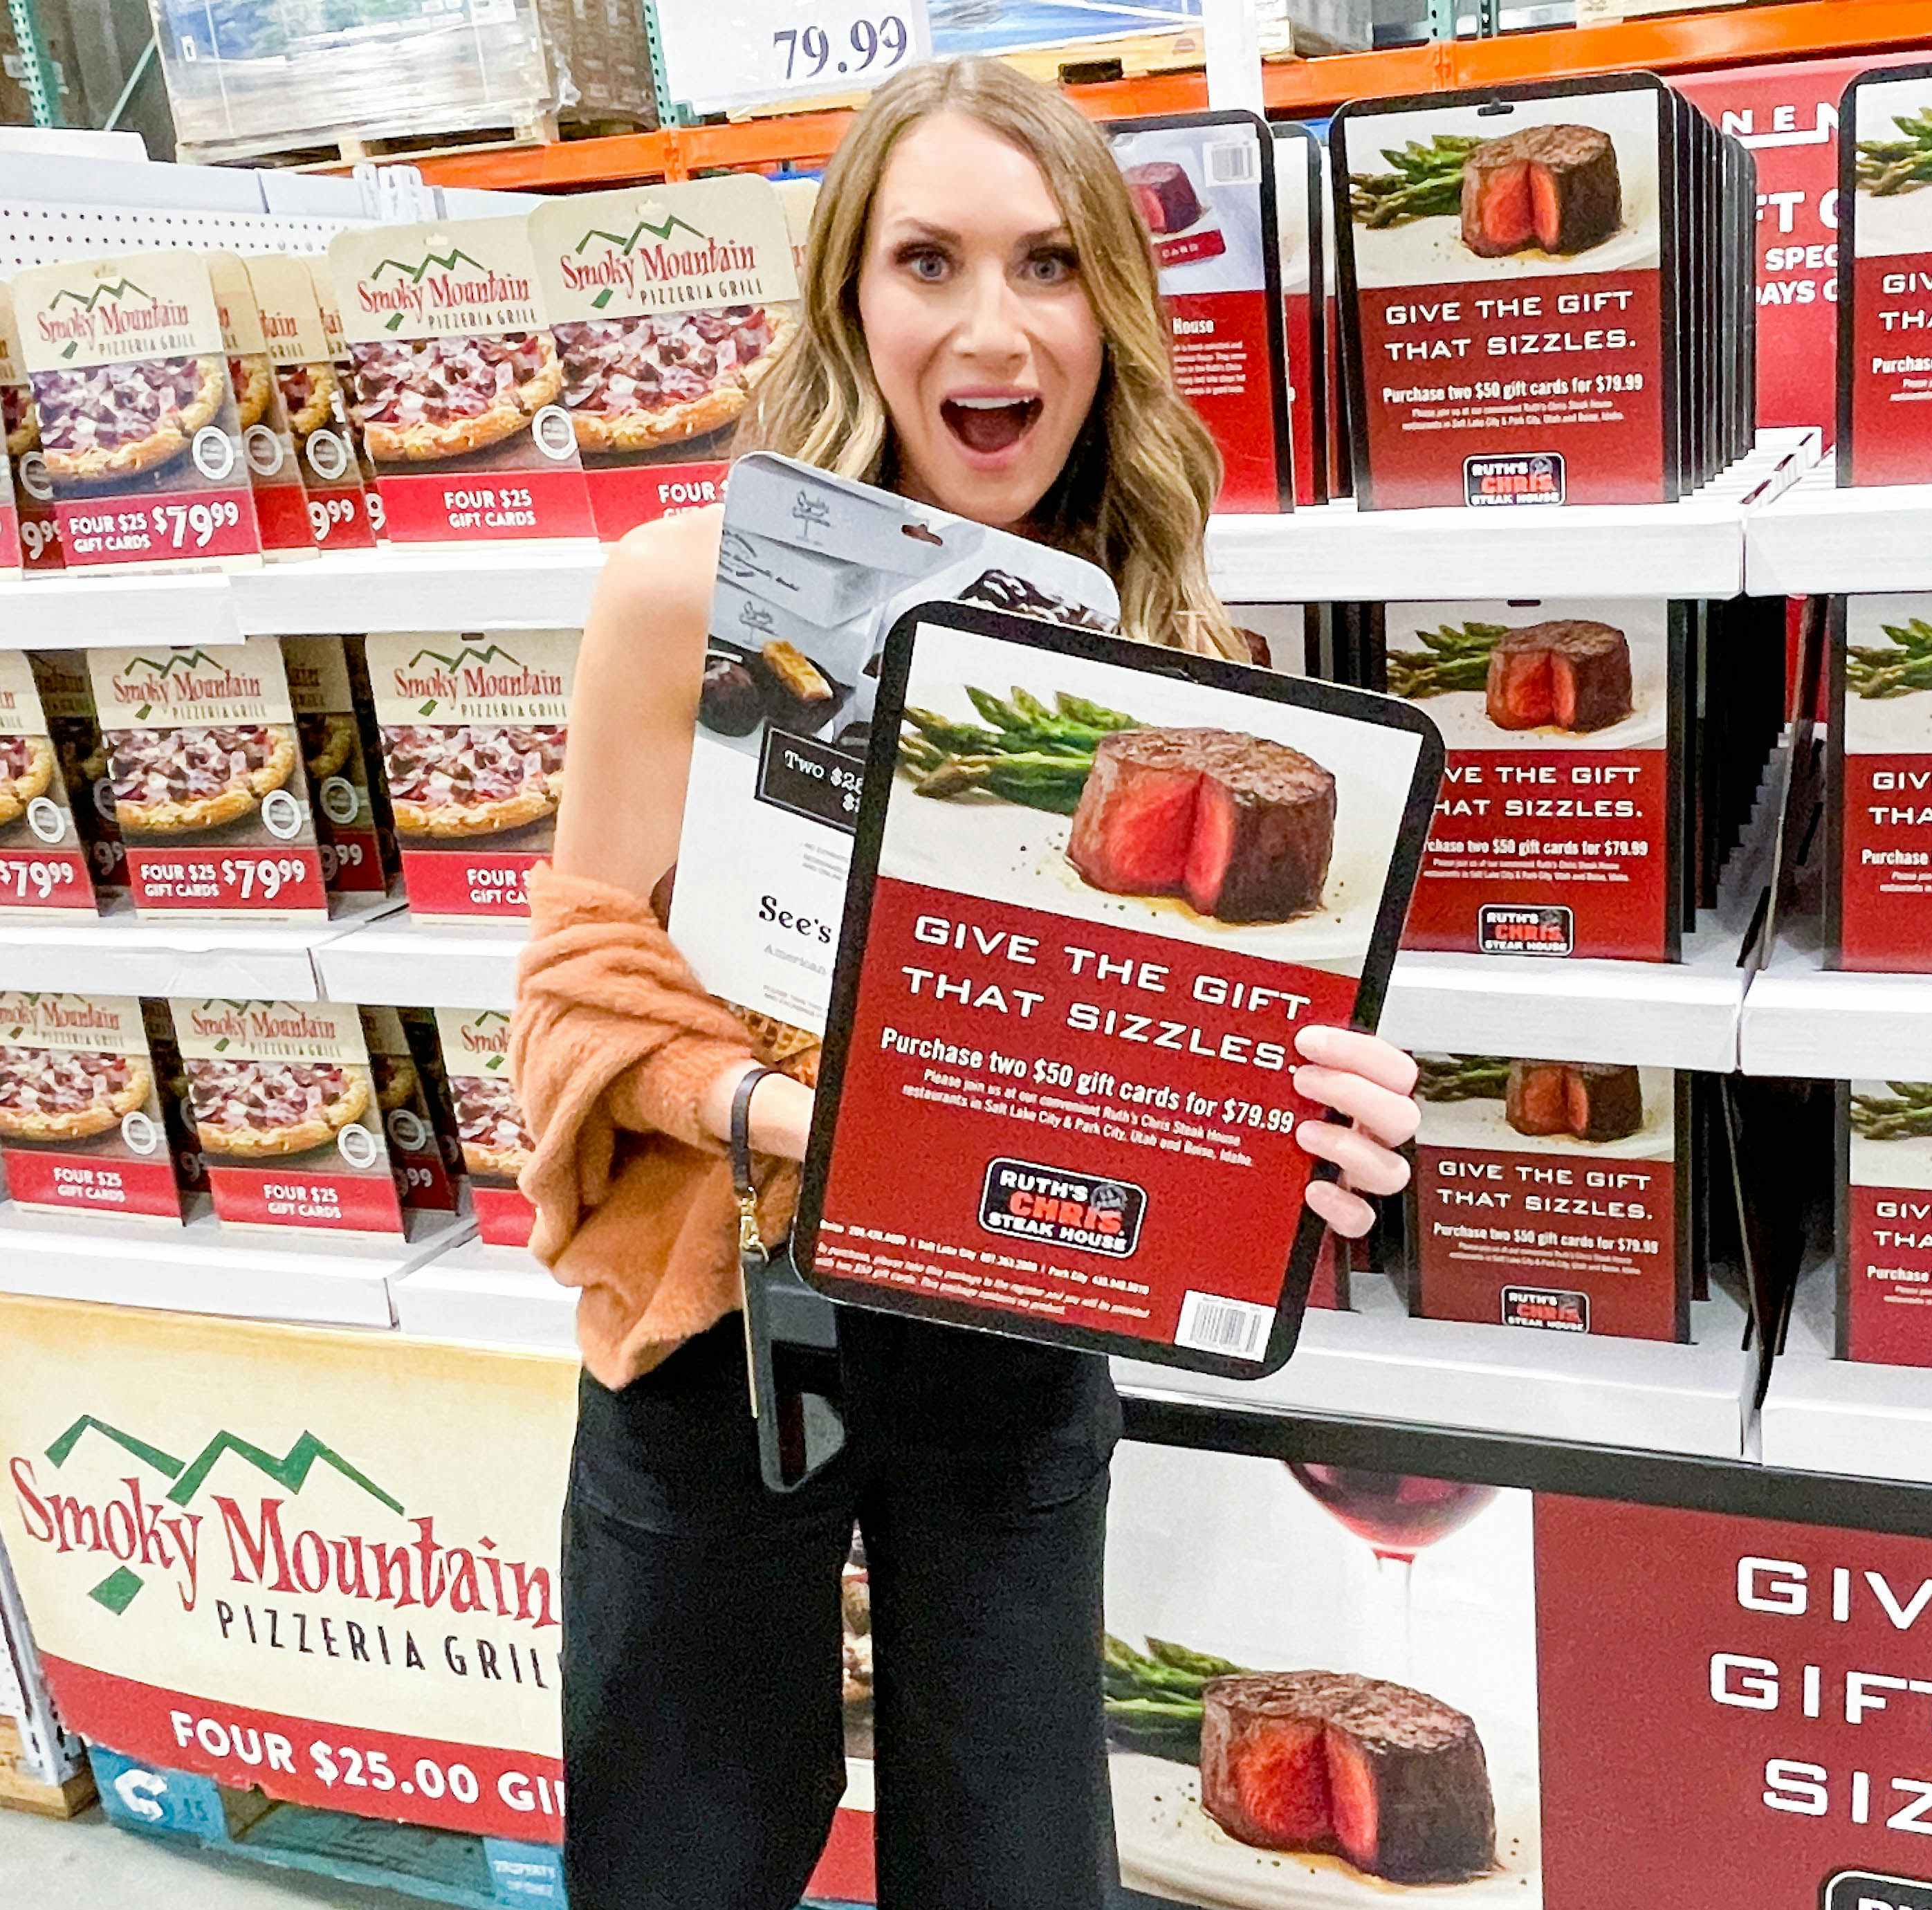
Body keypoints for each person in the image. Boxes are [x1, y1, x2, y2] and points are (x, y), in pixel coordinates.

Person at [511, 55, 1424, 1910]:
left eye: (1046, 263)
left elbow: (1162, 1037)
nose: (988, 325)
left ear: (1114, 306)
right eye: (927, 260)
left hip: (1013, 1324)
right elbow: (571, 998)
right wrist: (799, 1118)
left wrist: (1294, 1124)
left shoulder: (1167, 653)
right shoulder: (685, 593)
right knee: (676, 1860)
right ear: (852, 296)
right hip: (722, 1322)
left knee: (1018, 1865)